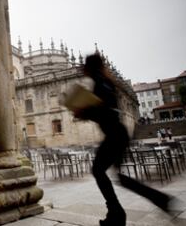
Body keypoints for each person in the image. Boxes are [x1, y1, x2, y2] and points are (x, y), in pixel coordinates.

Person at [74, 53, 172, 226]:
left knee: (98, 171)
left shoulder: (98, 82)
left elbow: (104, 111)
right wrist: (88, 112)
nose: (82, 69)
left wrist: (84, 112)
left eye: (85, 66)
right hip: (119, 133)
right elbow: (106, 109)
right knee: (117, 176)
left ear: (89, 67)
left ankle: (116, 212)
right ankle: (157, 199)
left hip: (114, 134)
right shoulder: (107, 81)